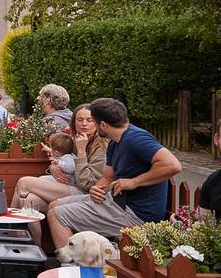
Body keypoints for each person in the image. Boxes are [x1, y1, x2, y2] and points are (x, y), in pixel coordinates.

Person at [47, 97, 182, 248]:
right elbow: (107, 177)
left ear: (103, 125)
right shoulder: (114, 142)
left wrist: (134, 182)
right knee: (53, 205)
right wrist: (97, 189)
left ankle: (72, 268)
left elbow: (173, 165)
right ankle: (86, 257)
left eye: (94, 122)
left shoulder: (136, 139)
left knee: (57, 215)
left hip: (136, 214)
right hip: (115, 202)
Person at [12, 103, 110, 241]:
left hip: (85, 194)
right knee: (27, 201)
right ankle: (34, 251)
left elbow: (87, 184)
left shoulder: (101, 147)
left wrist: (81, 151)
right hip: (69, 187)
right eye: (80, 120)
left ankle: (8, 229)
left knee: (23, 182)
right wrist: (53, 167)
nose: (84, 124)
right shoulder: (77, 140)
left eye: (89, 120)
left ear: (98, 123)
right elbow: (64, 160)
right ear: (74, 122)